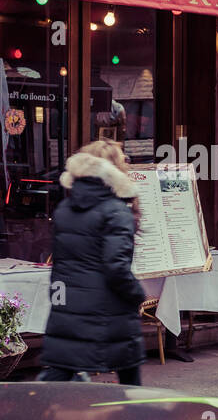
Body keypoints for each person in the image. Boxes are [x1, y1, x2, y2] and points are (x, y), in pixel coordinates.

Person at [40, 139, 147, 385]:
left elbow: (62, 262)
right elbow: (116, 267)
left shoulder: (65, 207)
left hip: (69, 305)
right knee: (130, 377)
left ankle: (35, 412)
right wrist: (136, 293)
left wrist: (59, 299)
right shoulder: (116, 211)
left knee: (60, 369)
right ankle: (134, 418)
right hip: (108, 310)